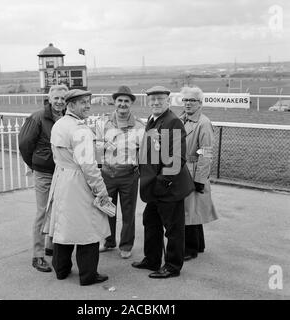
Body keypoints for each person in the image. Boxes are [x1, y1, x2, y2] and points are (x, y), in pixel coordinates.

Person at [43, 89, 111, 286]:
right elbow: (89, 166)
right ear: (70, 105)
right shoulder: (80, 130)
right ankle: (88, 274)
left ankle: (61, 270)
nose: (88, 105)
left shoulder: (59, 124)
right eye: (83, 102)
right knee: (87, 228)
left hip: (62, 178)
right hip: (77, 181)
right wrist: (101, 190)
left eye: (88, 101)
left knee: (63, 226)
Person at [132, 86, 194, 279]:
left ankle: (173, 266)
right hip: (154, 186)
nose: (156, 103)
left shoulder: (172, 121)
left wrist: (161, 183)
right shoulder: (153, 120)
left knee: (173, 229)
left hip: (168, 187)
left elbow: (176, 160)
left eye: (160, 99)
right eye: (152, 100)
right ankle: (152, 259)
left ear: (168, 101)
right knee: (151, 222)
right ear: (148, 102)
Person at [19, 84, 68, 272]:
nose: (59, 101)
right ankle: (37, 255)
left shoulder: (66, 118)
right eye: (56, 98)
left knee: (58, 209)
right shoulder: (38, 117)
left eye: (63, 98)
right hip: (44, 173)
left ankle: (51, 245)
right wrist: (35, 165)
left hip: (62, 172)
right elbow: (25, 144)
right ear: (49, 99)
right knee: (43, 212)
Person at [95, 86, 145, 259]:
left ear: (131, 103)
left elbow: (144, 152)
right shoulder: (103, 122)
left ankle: (126, 245)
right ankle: (108, 241)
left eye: (126, 101)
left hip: (128, 175)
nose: (123, 104)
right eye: (120, 101)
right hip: (108, 173)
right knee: (107, 209)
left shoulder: (139, 126)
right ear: (114, 102)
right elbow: (97, 147)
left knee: (128, 212)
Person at [179, 86, 218, 261]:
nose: (188, 103)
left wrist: (200, 178)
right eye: (185, 100)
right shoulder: (181, 119)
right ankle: (199, 245)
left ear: (200, 103)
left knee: (190, 211)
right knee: (191, 210)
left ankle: (190, 248)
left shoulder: (203, 123)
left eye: (192, 100)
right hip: (182, 169)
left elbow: (207, 152)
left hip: (193, 169)